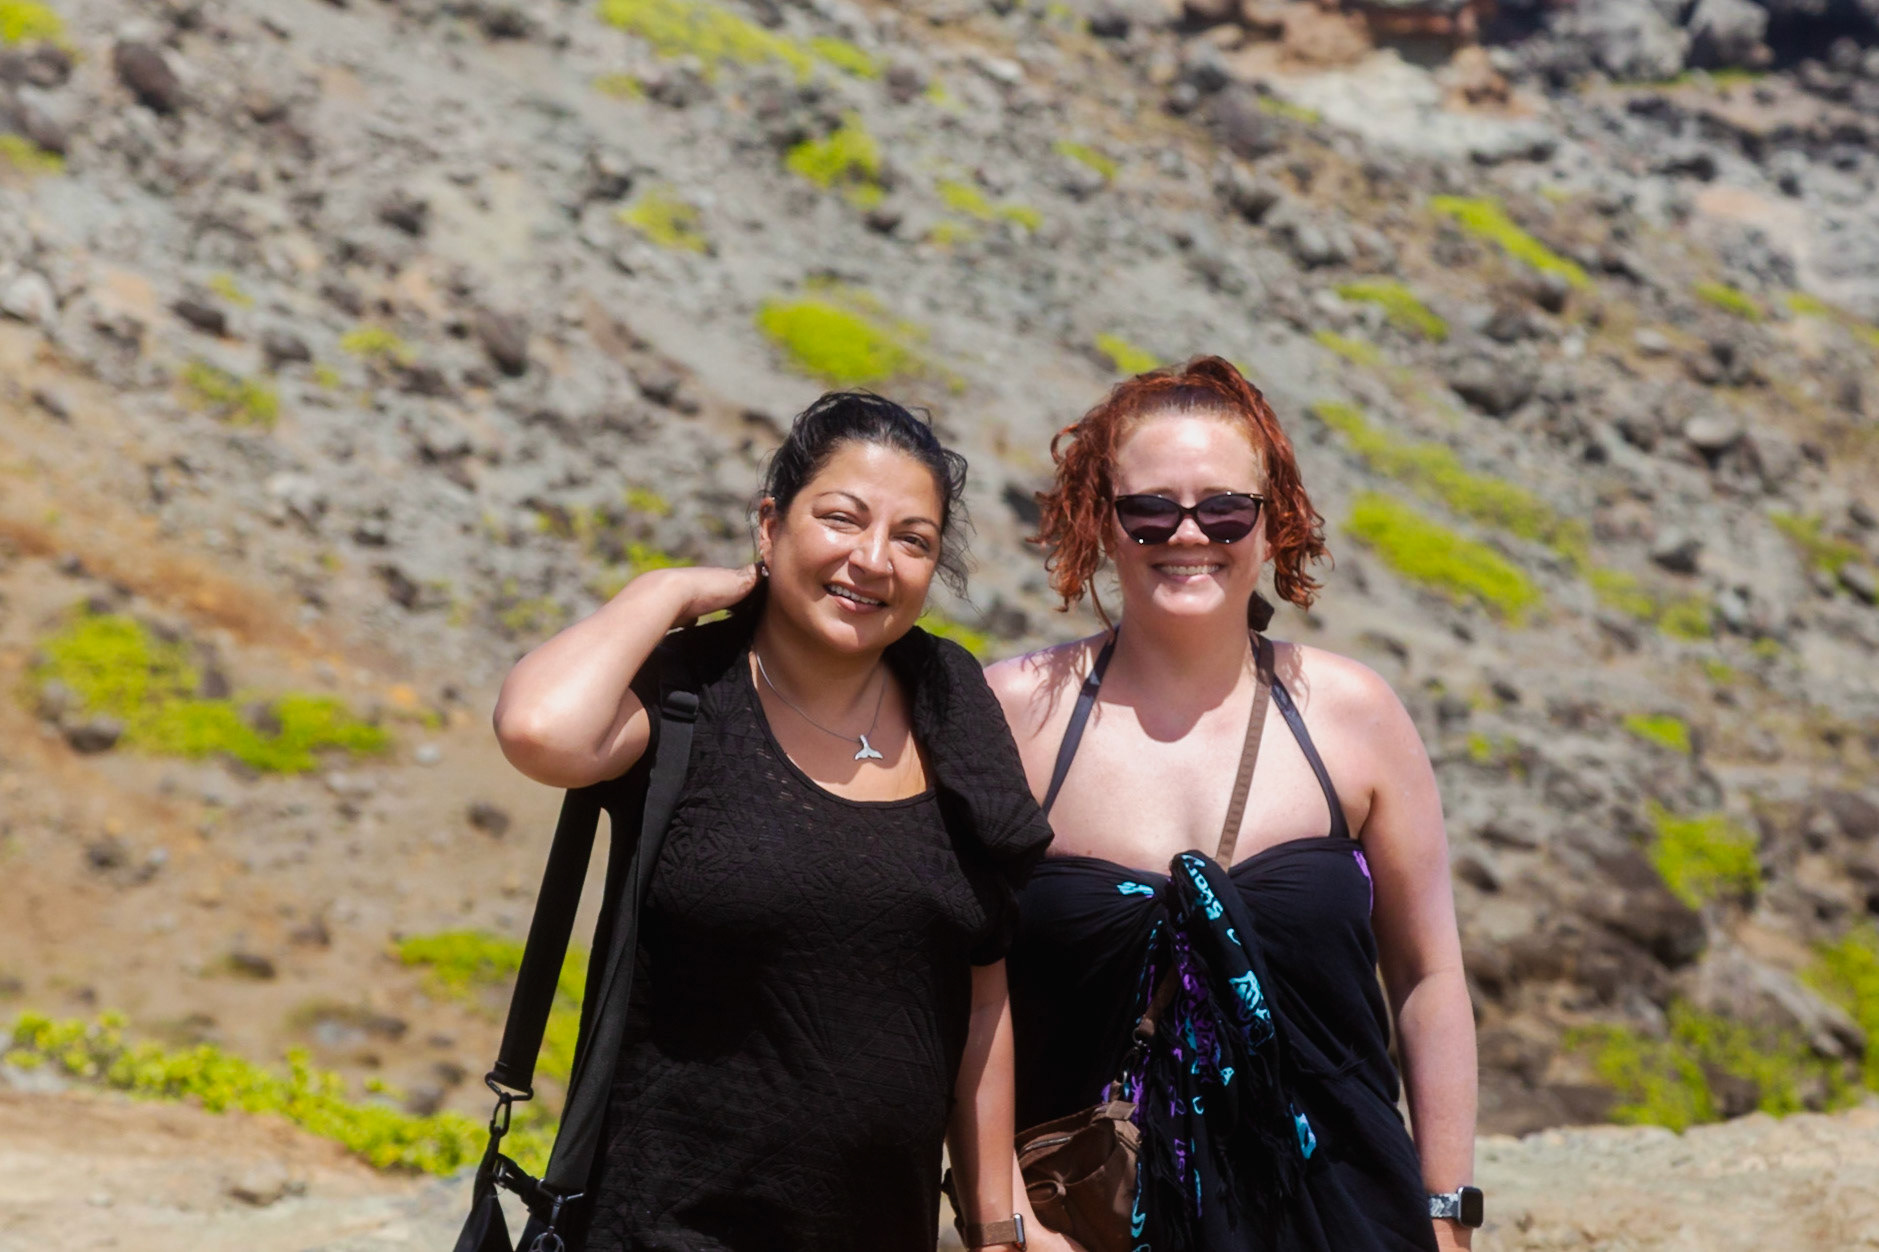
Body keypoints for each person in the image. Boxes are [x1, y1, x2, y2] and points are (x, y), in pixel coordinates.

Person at [492, 392, 1051, 1252]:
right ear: (769, 525)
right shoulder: (692, 691)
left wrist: (995, 1229)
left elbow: (980, 997)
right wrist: (669, 589)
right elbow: (540, 730)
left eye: (913, 540)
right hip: (661, 1231)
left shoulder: (953, 703)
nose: (872, 559)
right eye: (840, 519)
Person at [988, 358, 1478, 1252]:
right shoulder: (1015, 717)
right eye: (1149, 509)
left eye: (1223, 508)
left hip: (1346, 1218)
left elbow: (1429, 976)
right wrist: (1002, 1220)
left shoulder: (1352, 714)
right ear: (1100, 520)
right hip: (1087, 1226)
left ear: (1272, 521)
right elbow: (958, 986)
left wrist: (1445, 1212)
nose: (1187, 534)